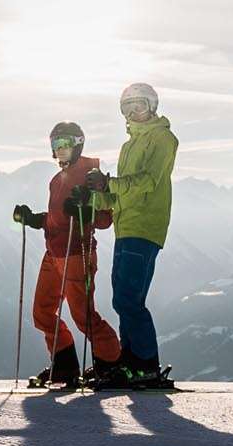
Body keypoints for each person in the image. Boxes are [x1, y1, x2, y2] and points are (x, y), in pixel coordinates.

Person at [12, 121, 123, 389]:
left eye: (65, 144)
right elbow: (56, 220)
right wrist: (34, 219)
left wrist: (86, 210)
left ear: (78, 145)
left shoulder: (91, 176)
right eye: (55, 144)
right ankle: (64, 366)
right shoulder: (56, 181)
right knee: (42, 311)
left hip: (76, 254)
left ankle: (112, 364)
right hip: (54, 254)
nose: (59, 149)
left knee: (84, 316)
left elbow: (105, 219)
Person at [85, 82, 177, 387]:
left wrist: (109, 183)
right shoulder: (128, 146)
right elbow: (119, 195)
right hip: (125, 227)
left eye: (139, 106)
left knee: (129, 298)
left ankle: (146, 365)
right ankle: (130, 362)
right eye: (127, 108)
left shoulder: (163, 138)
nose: (134, 113)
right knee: (121, 298)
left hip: (145, 226)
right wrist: (93, 198)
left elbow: (149, 180)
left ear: (152, 106)